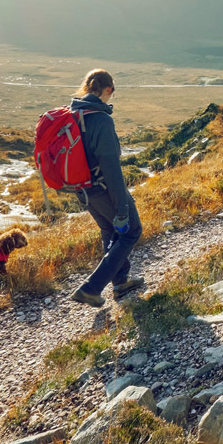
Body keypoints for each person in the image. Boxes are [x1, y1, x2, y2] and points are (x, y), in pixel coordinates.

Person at [69, 69, 144, 307]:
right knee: (131, 231)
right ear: (109, 89)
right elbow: (110, 166)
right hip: (103, 188)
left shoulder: (73, 113)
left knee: (110, 232)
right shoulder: (101, 119)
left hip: (83, 190)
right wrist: (121, 205)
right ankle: (91, 288)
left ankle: (120, 283)